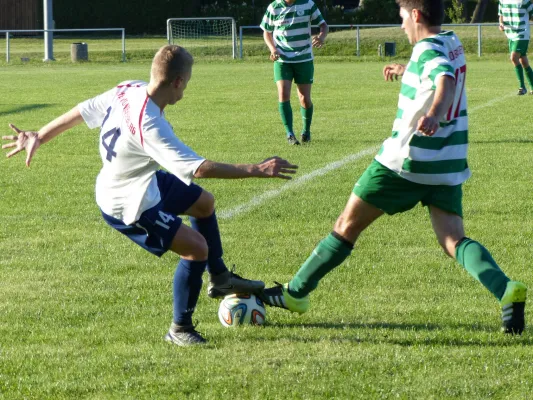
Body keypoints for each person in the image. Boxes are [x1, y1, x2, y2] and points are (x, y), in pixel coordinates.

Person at [260, 0, 527, 335]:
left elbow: (443, 78)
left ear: (416, 15)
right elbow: (438, 67)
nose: (401, 25)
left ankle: (295, 294)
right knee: (453, 239)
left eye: (402, 18)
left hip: (406, 161)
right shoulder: (452, 40)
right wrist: (407, 69)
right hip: (448, 161)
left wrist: (435, 112)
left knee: (346, 225)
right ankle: (505, 289)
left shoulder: (431, 51)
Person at [2, 45, 298, 346]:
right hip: (127, 202)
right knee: (196, 248)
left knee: (204, 203)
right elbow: (200, 168)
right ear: (179, 82)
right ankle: (180, 328)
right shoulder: (150, 125)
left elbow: (81, 111)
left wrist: (40, 134)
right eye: (189, 81)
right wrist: (257, 169)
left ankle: (220, 278)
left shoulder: (128, 88)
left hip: (140, 179)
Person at [260, 0, 328, 145]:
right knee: (283, 94)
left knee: (304, 98)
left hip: (304, 58)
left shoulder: (308, 4)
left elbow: (323, 24)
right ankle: (290, 134)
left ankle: (306, 131)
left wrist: (321, 37)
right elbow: (267, 31)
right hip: (282, 59)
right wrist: (273, 49)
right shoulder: (274, 7)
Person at [498, 0, 533, 95]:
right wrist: (501, 24)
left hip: (522, 33)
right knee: (523, 61)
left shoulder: (524, 1)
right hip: (510, 34)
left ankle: (522, 87)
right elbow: (501, 14)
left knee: (513, 57)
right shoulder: (502, 1)